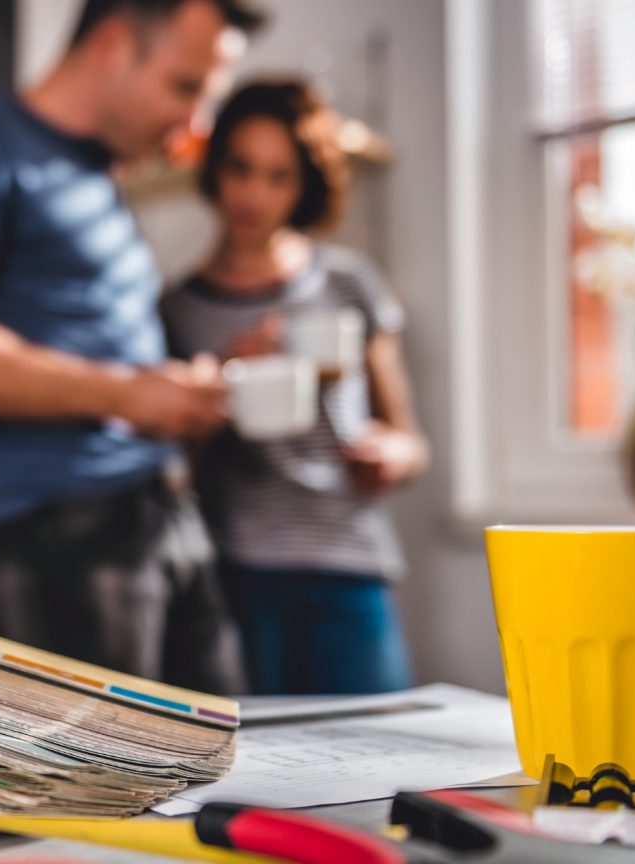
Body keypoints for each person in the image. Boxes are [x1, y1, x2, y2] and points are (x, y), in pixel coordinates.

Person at [0, 0, 265, 693]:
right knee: (114, 797)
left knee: (224, 770)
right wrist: (129, 395)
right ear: (112, 45)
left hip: (160, 513)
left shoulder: (96, 178)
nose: (194, 124)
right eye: (184, 87)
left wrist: (175, 389)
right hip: (59, 530)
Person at [160, 80, 429, 694]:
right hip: (239, 575)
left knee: (376, 772)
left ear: (304, 184)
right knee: (257, 777)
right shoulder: (179, 308)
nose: (255, 194)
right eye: (240, 168)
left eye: (279, 176)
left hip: (350, 566)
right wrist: (225, 376)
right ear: (214, 168)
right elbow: (175, 472)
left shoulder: (349, 284)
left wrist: (391, 455)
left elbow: (411, 440)